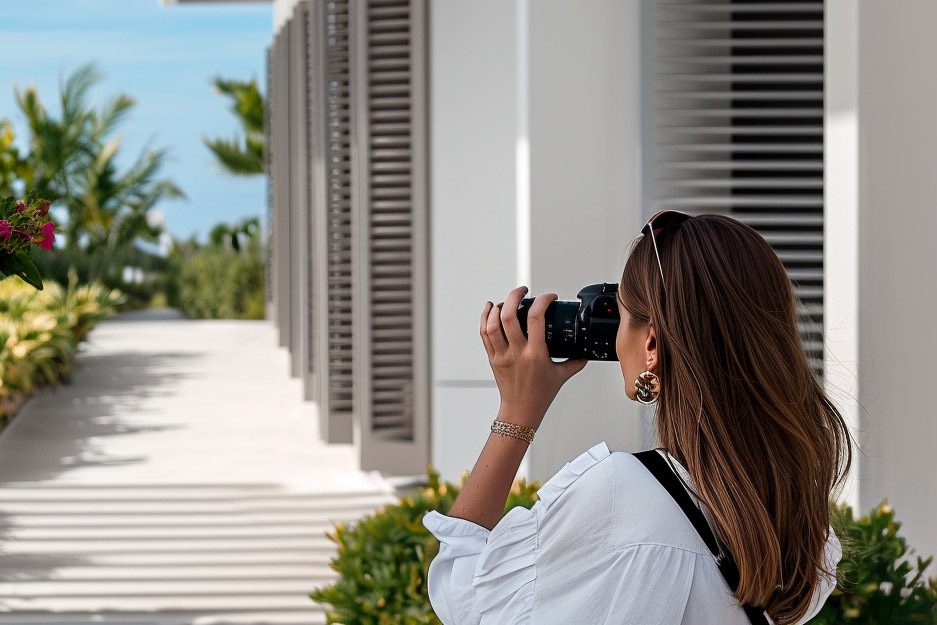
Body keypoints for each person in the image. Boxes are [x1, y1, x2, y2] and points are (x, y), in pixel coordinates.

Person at [421, 211, 852, 625]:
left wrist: (516, 413)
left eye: (621, 314)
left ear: (651, 344)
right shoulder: (795, 517)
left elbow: (465, 602)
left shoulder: (623, 495)